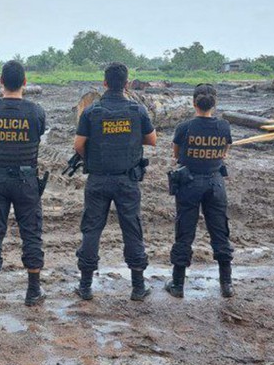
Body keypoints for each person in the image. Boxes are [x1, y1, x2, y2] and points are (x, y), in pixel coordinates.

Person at [73, 62, 157, 301]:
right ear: (127, 84)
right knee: (132, 230)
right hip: (127, 181)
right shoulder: (137, 110)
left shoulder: (91, 111)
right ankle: (138, 287)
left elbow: (78, 145)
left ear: (105, 83)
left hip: (98, 180)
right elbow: (152, 140)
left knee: (91, 230)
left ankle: (86, 286)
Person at [0, 60, 47, 308]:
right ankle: (33, 291)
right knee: (31, 232)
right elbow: (38, 136)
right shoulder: (36, 112)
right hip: (27, 180)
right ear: (25, 82)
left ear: (1, 81)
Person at [168, 84, 235, 298]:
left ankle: (178, 285)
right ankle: (227, 284)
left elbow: (177, 155)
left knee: (184, 232)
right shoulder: (224, 127)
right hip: (215, 183)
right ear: (214, 104)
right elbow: (225, 153)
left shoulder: (184, 127)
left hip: (188, 183)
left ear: (193, 103)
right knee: (220, 232)